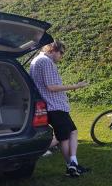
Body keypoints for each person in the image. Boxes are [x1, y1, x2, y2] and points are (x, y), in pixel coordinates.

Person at [29, 40, 89, 177]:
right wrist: (75, 86)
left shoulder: (37, 60)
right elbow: (52, 87)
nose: (61, 56)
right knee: (64, 138)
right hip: (54, 106)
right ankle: (71, 166)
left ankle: (73, 162)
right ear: (52, 50)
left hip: (53, 105)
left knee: (72, 132)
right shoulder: (45, 61)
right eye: (61, 53)